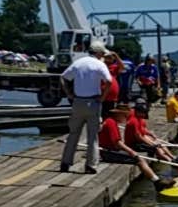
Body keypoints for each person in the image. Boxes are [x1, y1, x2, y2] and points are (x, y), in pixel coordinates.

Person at [59, 38, 111, 173]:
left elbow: (63, 77)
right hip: (93, 102)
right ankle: (91, 165)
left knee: (73, 133)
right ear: (99, 53)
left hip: (78, 101)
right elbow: (109, 81)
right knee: (93, 136)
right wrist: (102, 98)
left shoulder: (79, 62)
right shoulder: (99, 65)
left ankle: (65, 162)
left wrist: (69, 94)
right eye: (102, 54)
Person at [98, 103, 157, 181]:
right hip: (109, 153)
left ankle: (152, 176)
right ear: (119, 114)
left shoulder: (111, 121)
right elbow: (117, 143)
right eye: (125, 116)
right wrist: (131, 151)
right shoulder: (110, 123)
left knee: (139, 158)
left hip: (112, 150)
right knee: (139, 160)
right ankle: (157, 181)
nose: (126, 119)